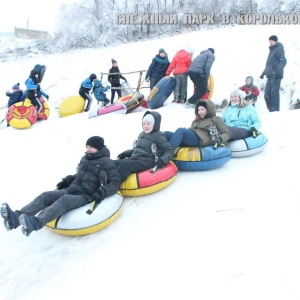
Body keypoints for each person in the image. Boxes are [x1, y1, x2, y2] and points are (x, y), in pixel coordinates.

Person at [0, 136, 121, 237]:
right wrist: (68, 180)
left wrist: (101, 192)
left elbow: (115, 182)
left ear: (98, 148)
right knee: (46, 196)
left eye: (91, 147)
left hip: (86, 195)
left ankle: (35, 224)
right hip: (72, 189)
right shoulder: (85, 159)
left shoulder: (106, 162)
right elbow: (81, 175)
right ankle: (14, 218)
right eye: (87, 146)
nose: (87, 149)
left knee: (64, 200)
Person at [114, 111, 174, 182]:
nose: (145, 126)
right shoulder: (142, 134)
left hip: (148, 161)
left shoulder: (158, 136)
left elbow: (169, 150)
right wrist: (126, 153)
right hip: (137, 159)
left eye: (148, 124)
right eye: (144, 124)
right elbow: (139, 149)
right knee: (112, 163)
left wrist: (161, 161)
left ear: (155, 124)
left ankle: (114, 184)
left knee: (126, 165)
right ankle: (103, 179)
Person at [164, 99, 229, 150]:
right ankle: (159, 153)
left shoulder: (216, 119)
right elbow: (191, 129)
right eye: (198, 110)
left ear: (208, 110)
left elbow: (226, 133)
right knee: (166, 134)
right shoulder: (197, 120)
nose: (200, 112)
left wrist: (220, 139)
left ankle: (168, 154)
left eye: (202, 109)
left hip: (201, 139)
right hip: (193, 137)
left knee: (181, 130)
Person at [260, 35, 287, 112]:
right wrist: (263, 73)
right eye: (269, 41)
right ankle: (271, 111)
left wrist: (276, 71)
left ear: (275, 41)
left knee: (274, 94)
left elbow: (283, 61)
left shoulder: (279, 49)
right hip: (270, 76)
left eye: (271, 41)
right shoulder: (271, 51)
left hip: (276, 76)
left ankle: (275, 112)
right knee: (267, 95)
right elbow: (269, 64)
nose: (270, 42)